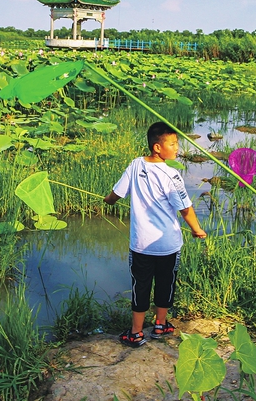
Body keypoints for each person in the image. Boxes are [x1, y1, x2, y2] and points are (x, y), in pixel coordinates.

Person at [104, 121, 207, 347]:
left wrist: (108, 201)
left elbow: (115, 194)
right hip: (168, 244)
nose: (177, 148)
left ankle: (137, 333)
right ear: (157, 147)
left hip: (141, 245)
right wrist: (197, 229)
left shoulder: (135, 165)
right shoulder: (172, 176)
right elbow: (185, 208)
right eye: (173, 144)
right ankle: (160, 325)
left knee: (140, 286)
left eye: (177, 143)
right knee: (165, 283)